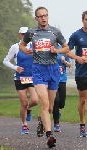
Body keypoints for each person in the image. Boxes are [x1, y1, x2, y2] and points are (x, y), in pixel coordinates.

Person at [19, 6, 69, 148]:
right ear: (36, 18)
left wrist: (57, 50)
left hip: (53, 70)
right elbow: (22, 45)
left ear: (48, 16)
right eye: (40, 16)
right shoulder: (31, 32)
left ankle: (42, 120)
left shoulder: (55, 32)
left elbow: (66, 48)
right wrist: (27, 50)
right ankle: (49, 135)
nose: (43, 18)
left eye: (45, 15)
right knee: (44, 102)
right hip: (38, 69)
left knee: (51, 106)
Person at [3, 27, 39, 134]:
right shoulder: (15, 47)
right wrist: (16, 68)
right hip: (20, 78)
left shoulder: (34, 47)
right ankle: (24, 125)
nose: (25, 36)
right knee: (23, 102)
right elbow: (5, 61)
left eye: (27, 34)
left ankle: (28, 108)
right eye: (23, 34)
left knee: (35, 100)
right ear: (20, 35)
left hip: (32, 78)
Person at [66, 10, 87, 137]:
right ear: (82, 20)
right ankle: (82, 125)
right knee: (83, 100)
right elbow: (67, 51)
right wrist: (77, 58)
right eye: (86, 19)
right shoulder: (76, 35)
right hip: (81, 72)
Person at [53, 45, 71, 132]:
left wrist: (64, 61)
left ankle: (57, 111)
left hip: (62, 79)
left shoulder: (63, 50)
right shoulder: (50, 49)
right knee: (55, 101)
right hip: (53, 80)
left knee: (61, 103)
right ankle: (56, 124)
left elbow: (69, 64)